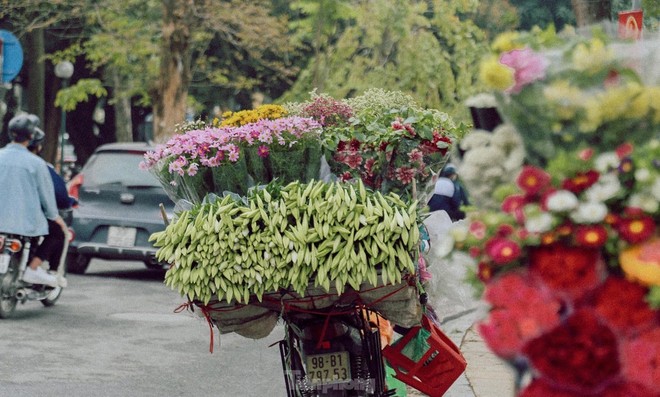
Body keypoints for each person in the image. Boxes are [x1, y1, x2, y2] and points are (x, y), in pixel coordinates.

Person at [0, 113, 68, 288]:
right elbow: (47, 195)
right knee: (58, 232)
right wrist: (55, 217)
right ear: (31, 137)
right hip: (26, 222)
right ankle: (32, 269)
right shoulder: (36, 163)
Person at [27, 123, 76, 281]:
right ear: (38, 146)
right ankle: (33, 267)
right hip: (30, 219)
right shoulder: (41, 166)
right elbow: (59, 196)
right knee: (58, 231)